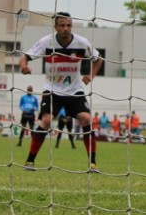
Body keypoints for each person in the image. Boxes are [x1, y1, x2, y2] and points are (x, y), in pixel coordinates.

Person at [18, 12, 103, 172]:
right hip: (52, 90)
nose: (66, 29)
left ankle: (93, 164)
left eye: (69, 25)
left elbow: (99, 59)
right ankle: (30, 161)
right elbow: (25, 57)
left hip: (74, 90)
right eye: (62, 25)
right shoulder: (46, 42)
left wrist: (90, 76)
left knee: (86, 119)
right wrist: (24, 67)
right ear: (56, 27)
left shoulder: (81, 43)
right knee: (47, 121)